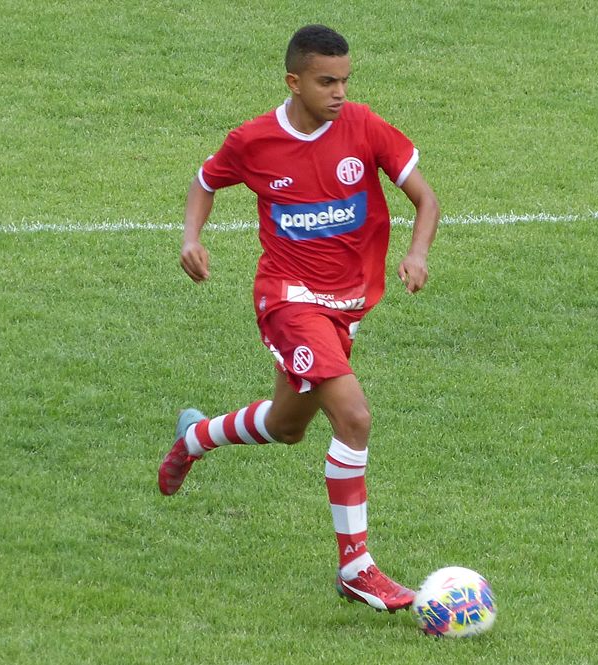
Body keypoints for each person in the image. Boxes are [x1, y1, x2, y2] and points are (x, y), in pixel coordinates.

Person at [158, 24, 440, 613]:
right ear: (294, 81)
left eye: (346, 81)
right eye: (326, 82)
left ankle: (195, 438)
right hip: (288, 301)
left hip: (347, 305)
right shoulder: (254, 141)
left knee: (288, 426)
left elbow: (425, 198)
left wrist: (417, 253)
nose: (340, 93)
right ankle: (356, 569)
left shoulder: (364, 126)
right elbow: (205, 181)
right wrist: (191, 238)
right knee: (354, 417)